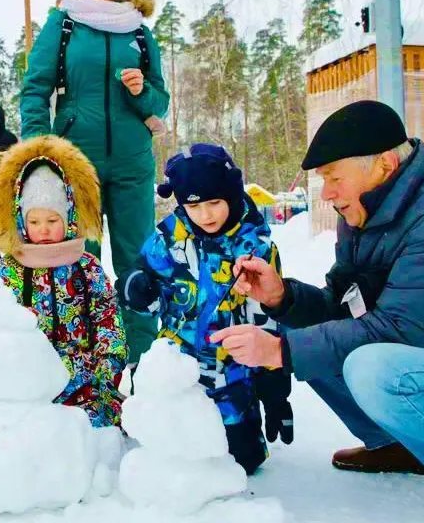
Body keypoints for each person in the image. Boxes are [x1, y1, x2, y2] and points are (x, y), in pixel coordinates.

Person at [212, 100, 424, 523]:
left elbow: (404, 331)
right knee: (314, 336)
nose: (327, 194)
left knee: (368, 365)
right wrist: (281, 297)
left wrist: (280, 352)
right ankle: (405, 444)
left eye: (335, 178)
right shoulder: (365, 209)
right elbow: (341, 310)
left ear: (385, 164)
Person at [20, 0, 169, 368]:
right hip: (76, 162)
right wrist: (40, 147)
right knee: (80, 264)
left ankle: (141, 367)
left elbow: (160, 101)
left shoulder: (139, 30)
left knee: (138, 263)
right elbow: (35, 89)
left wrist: (142, 93)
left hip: (132, 163)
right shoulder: (64, 23)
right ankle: (85, 367)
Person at [120, 144, 294, 476]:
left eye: (214, 203)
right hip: (178, 368)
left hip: (232, 373)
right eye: (194, 206)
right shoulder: (167, 241)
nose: (206, 215)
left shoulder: (254, 247)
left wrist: (275, 389)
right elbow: (143, 286)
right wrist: (136, 288)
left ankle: (242, 429)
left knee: (243, 460)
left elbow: (270, 318)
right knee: (168, 454)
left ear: (231, 194)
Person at [0, 135, 127, 428]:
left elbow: (107, 318)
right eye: (35, 222)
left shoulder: (87, 267)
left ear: (69, 217)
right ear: (21, 220)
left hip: (86, 384)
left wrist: (105, 369)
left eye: (53, 221)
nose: (44, 230)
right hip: (27, 385)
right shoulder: (7, 271)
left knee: (87, 433)